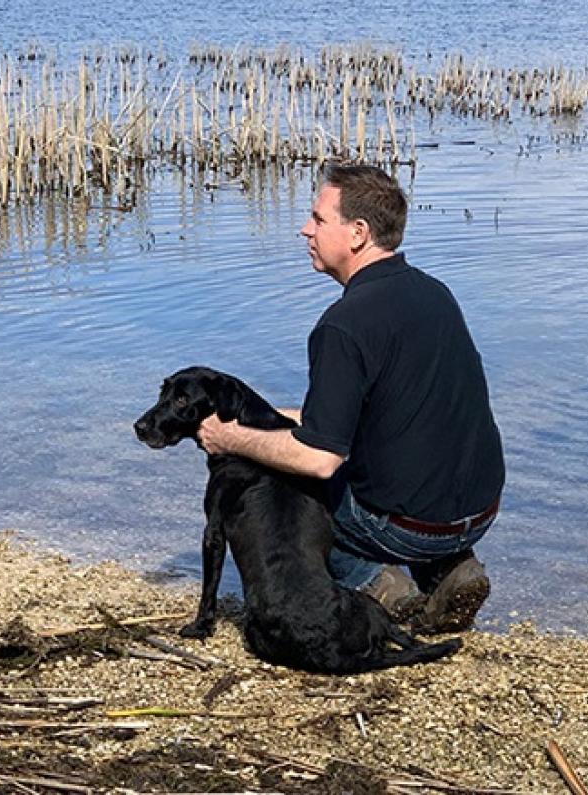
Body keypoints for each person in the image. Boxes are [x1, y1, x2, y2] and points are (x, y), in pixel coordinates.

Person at [198, 162, 504, 634]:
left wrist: (232, 438)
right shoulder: (435, 293)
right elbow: (376, 411)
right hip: (479, 512)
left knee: (289, 481)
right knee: (372, 461)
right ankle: (451, 568)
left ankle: (379, 584)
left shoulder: (343, 325)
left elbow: (319, 457)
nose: (305, 229)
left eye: (319, 219)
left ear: (358, 233)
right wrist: (263, 417)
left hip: (409, 527)